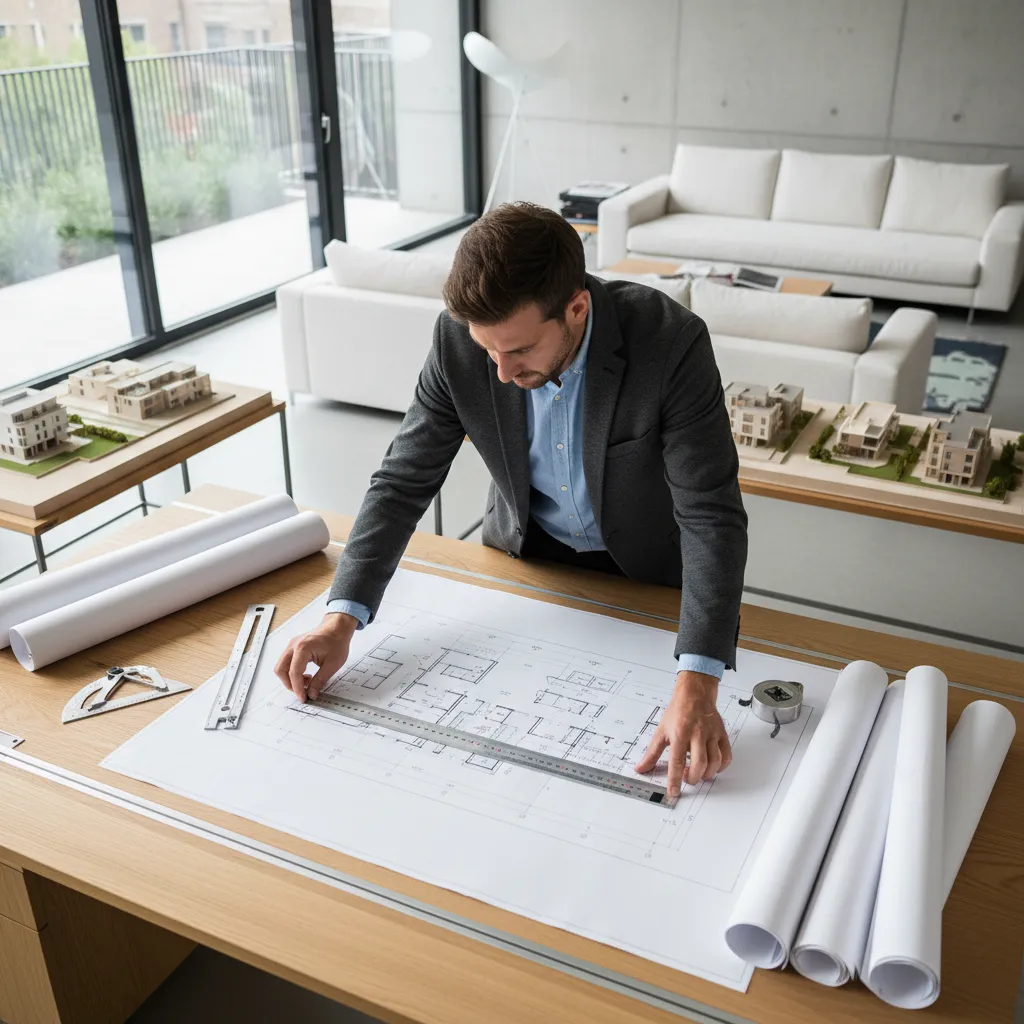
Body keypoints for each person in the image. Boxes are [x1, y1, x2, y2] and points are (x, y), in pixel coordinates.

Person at [275, 202, 748, 800]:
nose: (499, 372)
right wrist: (340, 620)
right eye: (488, 350)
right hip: (524, 560)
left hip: (645, 577)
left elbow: (710, 514)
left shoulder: (670, 342)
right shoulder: (459, 342)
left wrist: (699, 683)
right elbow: (402, 481)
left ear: (577, 308)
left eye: (519, 351)